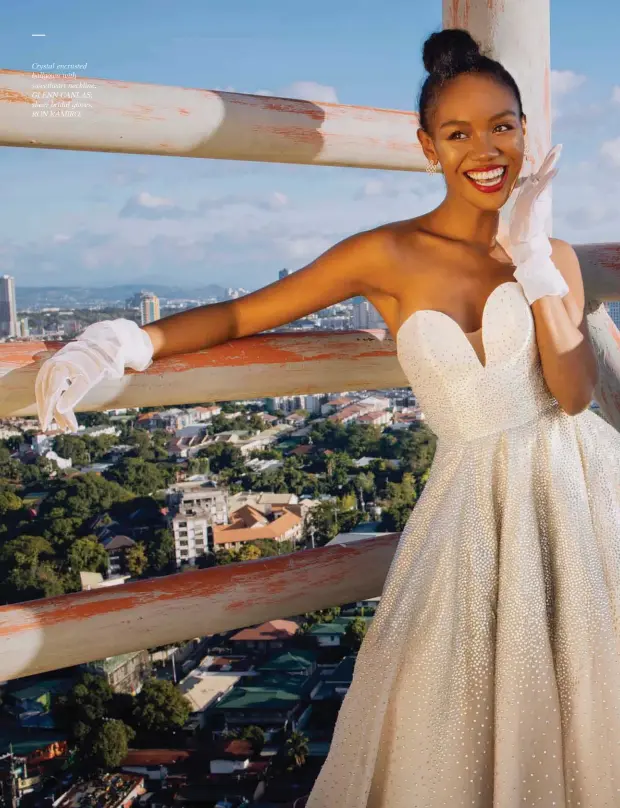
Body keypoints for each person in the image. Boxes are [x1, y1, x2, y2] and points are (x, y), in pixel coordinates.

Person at [35, 27, 620, 807]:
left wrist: (538, 261)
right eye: (459, 132)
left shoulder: (557, 256)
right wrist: (124, 342)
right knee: (456, 713)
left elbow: (575, 393)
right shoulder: (386, 253)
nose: (486, 149)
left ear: (526, 132)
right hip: (472, 515)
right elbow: (247, 314)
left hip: (582, 494)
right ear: (427, 146)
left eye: (503, 126)